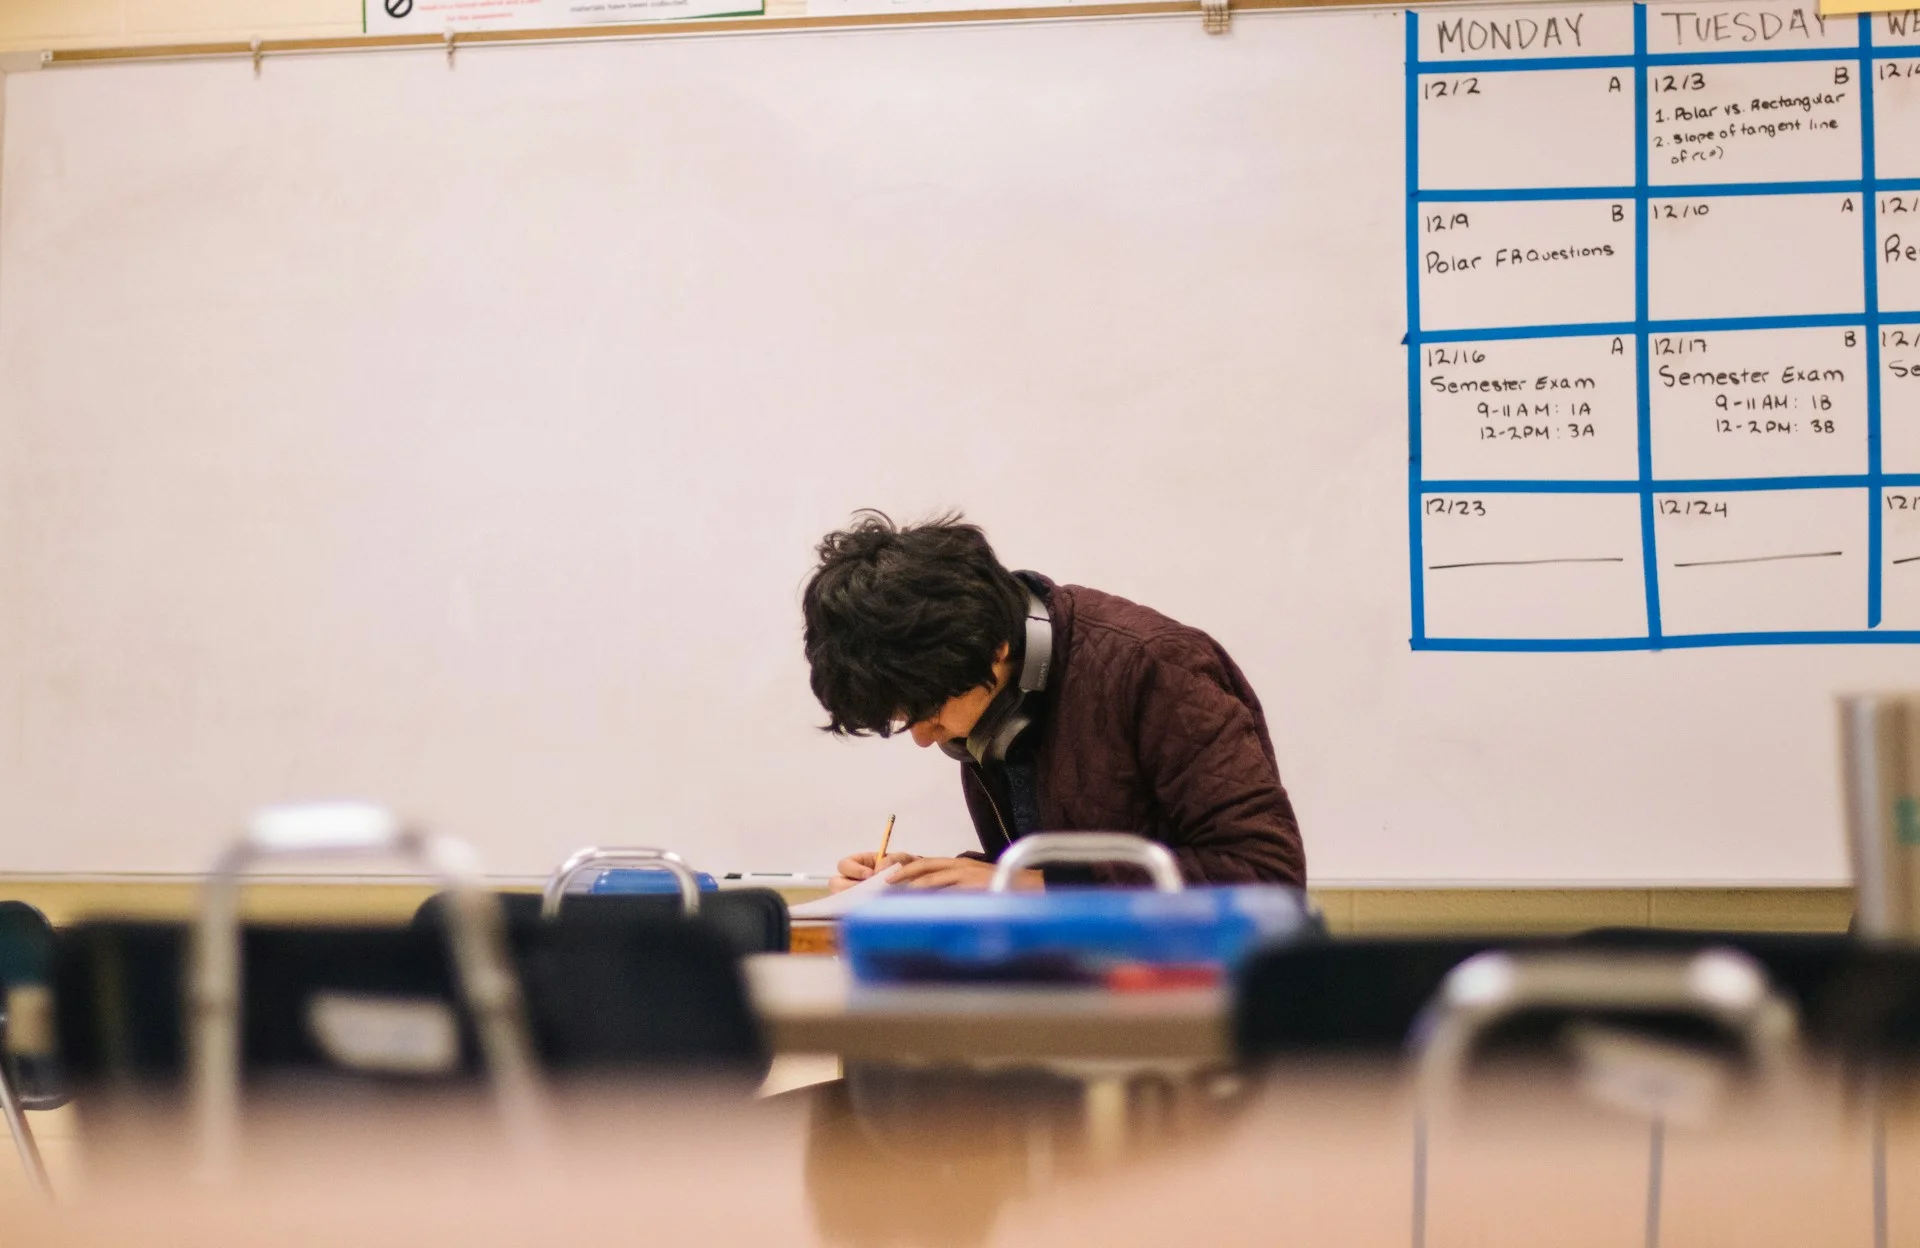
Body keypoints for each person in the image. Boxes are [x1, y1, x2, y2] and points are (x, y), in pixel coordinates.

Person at [801, 511, 1305, 892]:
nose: (923, 738)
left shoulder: (1155, 665)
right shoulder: (998, 698)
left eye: (927, 713)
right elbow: (1054, 862)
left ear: (994, 649)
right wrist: (925, 885)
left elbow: (1266, 874)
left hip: (1186, 1005)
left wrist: (1031, 888)